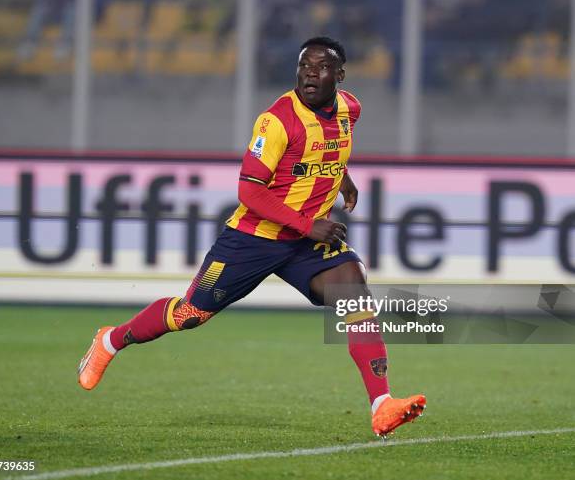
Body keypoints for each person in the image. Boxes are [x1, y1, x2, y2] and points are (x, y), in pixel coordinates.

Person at [77, 36, 425, 438]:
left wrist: (341, 177)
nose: (310, 73)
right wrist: (308, 223)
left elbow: (326, 149)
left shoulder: (350, 108)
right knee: (191, 314)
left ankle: (382, 405)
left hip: (303, 244)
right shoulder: (276, 121)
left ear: (340, 75)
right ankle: (110, 340)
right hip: (252, 239)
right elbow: (250, 191)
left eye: (321, 67)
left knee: (355, 295)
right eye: (304, 67)